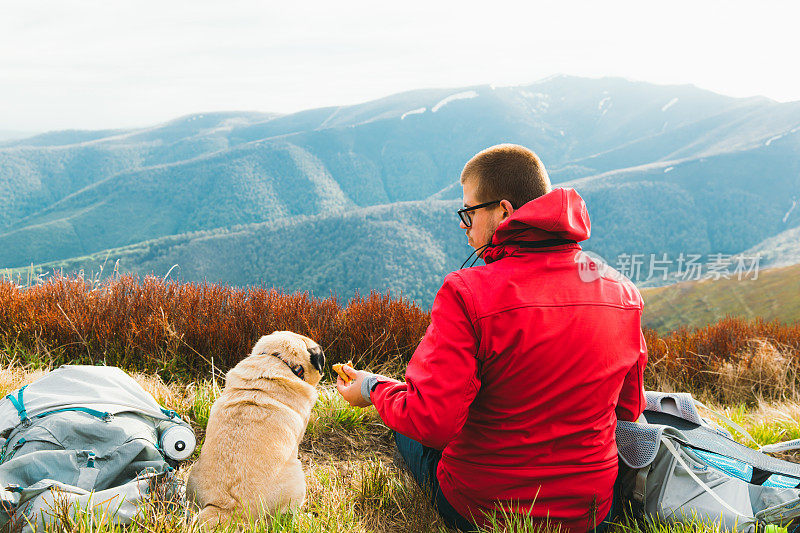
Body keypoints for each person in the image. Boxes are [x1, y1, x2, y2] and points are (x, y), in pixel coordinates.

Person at [336, 144, 647, 532]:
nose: (465, 227)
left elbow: (432, 422)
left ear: (503, 211)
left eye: (468, 213)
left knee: (406, 430)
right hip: (592, 511)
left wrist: (373, 389)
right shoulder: (623, 291)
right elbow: (628, 410)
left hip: (486, 508)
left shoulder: (467, 292)